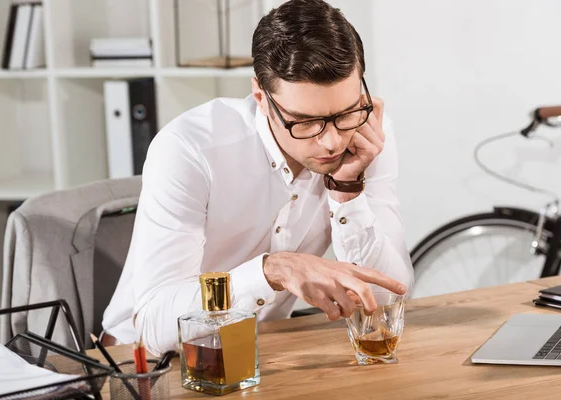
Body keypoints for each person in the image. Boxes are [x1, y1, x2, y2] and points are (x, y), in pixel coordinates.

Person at [102, 0, 414, 355]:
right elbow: (155, 326)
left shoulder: (366, 132)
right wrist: (273, 270)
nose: (332, 141)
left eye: (344, 113)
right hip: (142, 362)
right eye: (305, 121)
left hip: (256, 354)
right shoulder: (189, 149)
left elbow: (391, 295)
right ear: (260, 97)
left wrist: (347, 191)